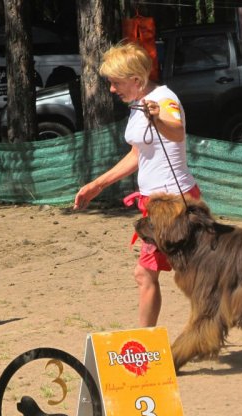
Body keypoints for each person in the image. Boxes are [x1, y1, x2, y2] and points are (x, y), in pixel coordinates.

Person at [73, 42, 200, 328]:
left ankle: (144, 345)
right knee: (194, 272)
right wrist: (98, 185)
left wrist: (158, 119)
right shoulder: (138, 104)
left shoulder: (164, 100)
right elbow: (136, 155)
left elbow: (177, 132)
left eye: (116, 83)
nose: (113, 90)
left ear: (136, 80)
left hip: (174, 205)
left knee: (156, 274)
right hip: (155, 204)